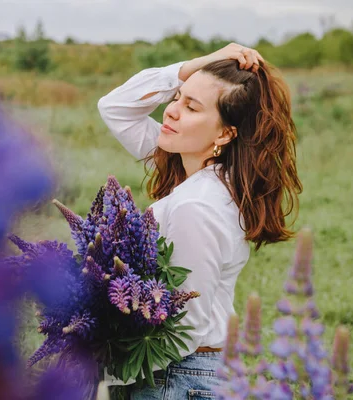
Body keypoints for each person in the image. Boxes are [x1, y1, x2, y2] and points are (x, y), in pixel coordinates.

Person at [97, 43, 303, 399]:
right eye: (176, 98)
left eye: (191, 107)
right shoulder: (199, 171)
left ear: (224, 134)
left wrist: (105, 369)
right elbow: (114, 108)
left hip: (177, 377)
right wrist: (194, 66)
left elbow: (186, 325)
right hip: (185, 374)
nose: (171, 112)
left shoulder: (199, 206)